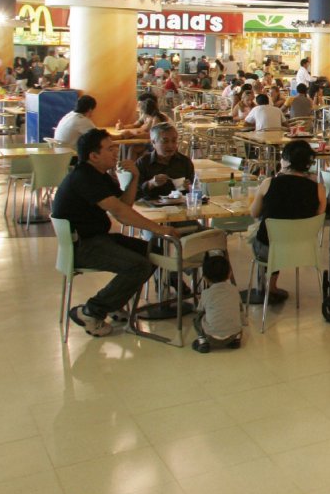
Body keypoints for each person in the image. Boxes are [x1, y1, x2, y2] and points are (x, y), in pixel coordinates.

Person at [52, 128, 175, 337]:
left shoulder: (99, 175)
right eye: (110, 149)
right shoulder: (84, 177)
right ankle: (90, 311)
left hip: (98, 239)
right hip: (82, 246)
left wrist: (134, 176)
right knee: (139, 265)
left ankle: (114, 303)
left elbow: (125, 203)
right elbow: (120, 213)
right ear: (94, 155)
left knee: (154, 251)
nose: (115, 152)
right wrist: (160, 229)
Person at [248, 139, 326, 304]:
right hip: (303, 248)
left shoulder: (269, 183)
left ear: (287, 161)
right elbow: (317, 218)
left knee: (265, 235)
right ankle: (272, 286)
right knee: (278, 233)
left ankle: (265, 287)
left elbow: (254, 212)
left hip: (270, 249)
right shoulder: (318, 189)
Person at [192, 253, 244, 353]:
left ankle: (203, 342)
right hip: (233, 333)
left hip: (211, 336)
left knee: (197, 318)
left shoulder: (206, 293)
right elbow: (240, 308)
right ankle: (236, 339)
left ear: (205, 278)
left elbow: (200, 310)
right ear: (229, 274)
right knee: (234, 315)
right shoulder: (234, 290)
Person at [135, 123, 195, 199]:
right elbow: (135, 194)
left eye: (174, 141)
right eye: (165, 141)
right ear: (153, 142)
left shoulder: (184, 161)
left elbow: (194, 191)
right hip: (150, 207)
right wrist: (151, 184)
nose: (170, 145)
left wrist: (189, 187)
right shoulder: (143, 162)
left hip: (179, 206)